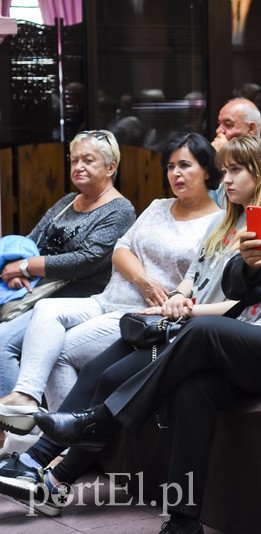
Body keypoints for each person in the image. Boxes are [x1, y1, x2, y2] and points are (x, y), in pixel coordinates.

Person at [33, 127, 261, 533]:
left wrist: (258, 276)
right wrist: (253, 270)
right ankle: (184, 521)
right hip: (257, 337)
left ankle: (101, 421)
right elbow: (236, 279)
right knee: (192, 389)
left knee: (203, 331)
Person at [0, 134, 261, 517]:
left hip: (204, 333)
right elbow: (192, 277)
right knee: (100, 368)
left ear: (260, 173)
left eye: (235, 171)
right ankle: (37, 461)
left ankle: (47, 473)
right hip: (173, 322)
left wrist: (183, 310)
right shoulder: (227, 221)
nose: (226, 180)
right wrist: (177, 297)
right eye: (225, 170)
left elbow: (239, 304)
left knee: (111, 375)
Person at [0, 133, 221, 433]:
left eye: (185, 165)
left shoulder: (217, 222)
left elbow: (200, 279)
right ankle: (26, 398)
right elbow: (121, 250)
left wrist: (158, 294)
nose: (176, 174)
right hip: (107, 298)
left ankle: (66, 436)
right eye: (170, 166)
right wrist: (142, 279)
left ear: (207, 170)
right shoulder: (158, 206)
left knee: (58, 349)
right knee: (45, 310)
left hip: (141, 315)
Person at [0, 130, 137, 418]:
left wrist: (26, 267)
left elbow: (87, 259)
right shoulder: (66, 202)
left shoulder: (121, 209)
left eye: (88, 160)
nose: (78, 167)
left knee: (2, 342)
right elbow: (32, 241)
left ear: (111, 167)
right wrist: (15, 271)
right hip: (35, 293)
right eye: (74, 160)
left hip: (78, 299)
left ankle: (17, 428)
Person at [211, 97, 261, 200]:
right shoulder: (215, 156)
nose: (219, 130)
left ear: (251, 129)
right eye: (219, 124)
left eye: (228, 124)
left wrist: (225, 155)